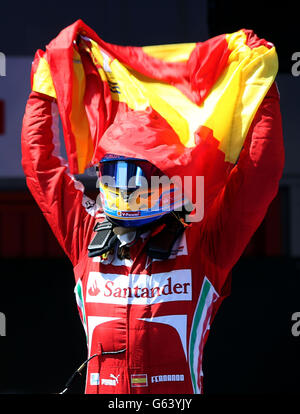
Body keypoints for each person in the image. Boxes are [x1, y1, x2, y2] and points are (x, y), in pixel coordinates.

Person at [21, 76, 284, 394]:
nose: (122, 186)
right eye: (113, 173)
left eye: (133, 174)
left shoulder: (201, 244)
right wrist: (43, 92)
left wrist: (263, 92)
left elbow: (258, 177)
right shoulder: (87, 235)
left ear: (164, 178)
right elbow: (41, 169)